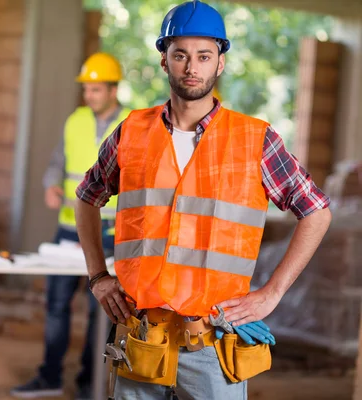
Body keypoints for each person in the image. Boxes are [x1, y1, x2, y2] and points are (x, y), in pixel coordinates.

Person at [74, 1, 333, 399]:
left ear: (220, 63)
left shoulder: (254, 140)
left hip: (213, 343)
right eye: (180, 55)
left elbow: (316, 211)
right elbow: (87, 198)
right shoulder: (131, 133)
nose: (192, 67)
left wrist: (273, 293)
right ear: (164, 61)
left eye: (203, 56)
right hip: (142, 336)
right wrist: (98, 276)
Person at [10, 52, 132, 400]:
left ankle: (88, 385)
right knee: (56, 305)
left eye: (95, 89)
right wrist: (51, 183)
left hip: (111, 232)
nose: (88, 96)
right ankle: (49, 376)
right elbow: (57, 162)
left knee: (102, 314)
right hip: (69, 228)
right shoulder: (75, 120)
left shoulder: (131, 123)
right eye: (86, 89)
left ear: (113, 90)